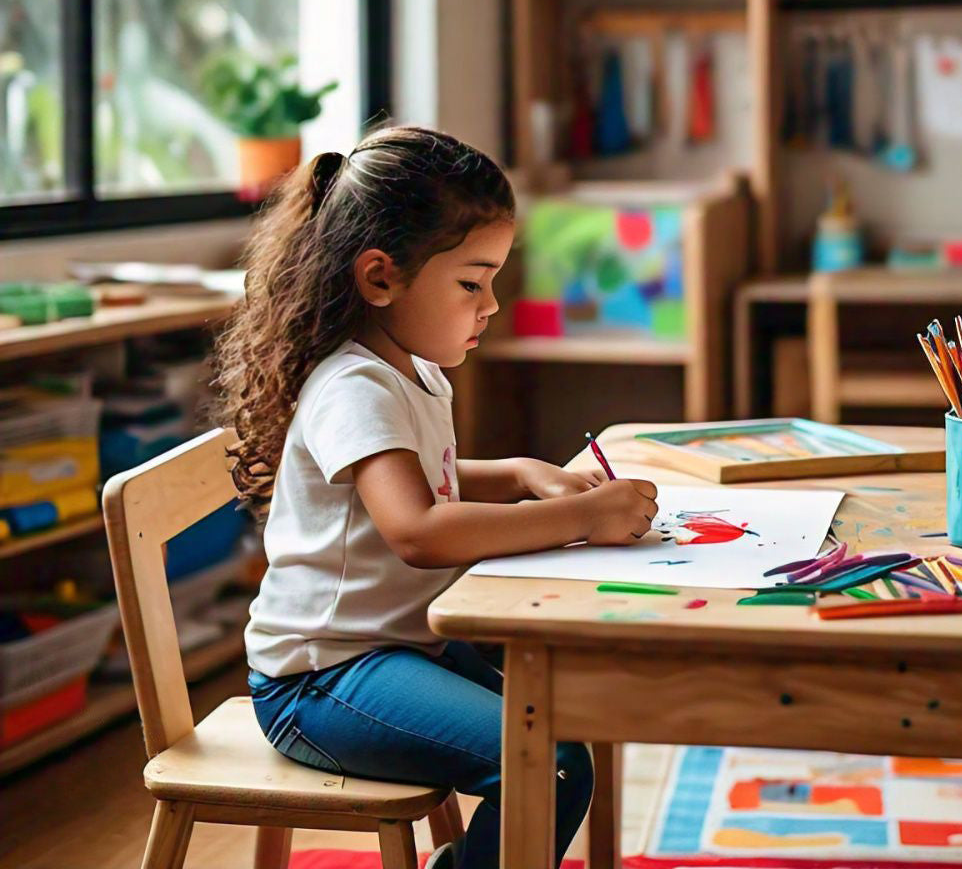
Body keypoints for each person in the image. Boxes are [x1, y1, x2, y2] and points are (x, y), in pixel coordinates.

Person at [216, 126, 657, 868]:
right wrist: (580, 516)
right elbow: (418, 528)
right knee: (542, 760)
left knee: (558, 743)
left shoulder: (410, 371)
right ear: (380, 277)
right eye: (471, 282)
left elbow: (429, 476)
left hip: (391, 649)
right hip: (321, 681)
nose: (490, 305)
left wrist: (519, 471)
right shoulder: (354, 386)